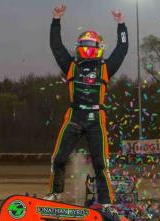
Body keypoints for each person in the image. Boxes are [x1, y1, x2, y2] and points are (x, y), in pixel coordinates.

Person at [45, 4, 128, 204]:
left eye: (91, 47)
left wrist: (121, 25)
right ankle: (56, 192)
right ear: (79, 48)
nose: (88, 50)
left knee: (101, 164)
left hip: (96, 118)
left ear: (98, 48)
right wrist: (56, 20)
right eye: (84, 46)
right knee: (58, 158)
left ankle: (107, 203)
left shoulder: (106, 67)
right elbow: (56, 47)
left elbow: (122, 49)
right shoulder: (71, 65)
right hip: (74, 116)